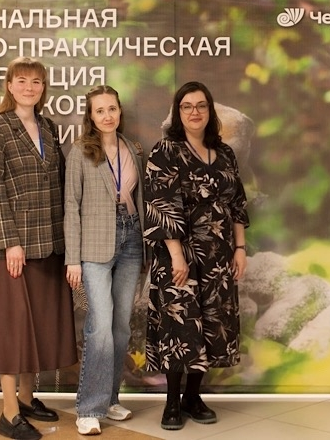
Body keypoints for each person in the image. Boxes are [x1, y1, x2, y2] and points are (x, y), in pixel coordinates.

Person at [0, 56, 77, 440]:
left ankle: (26, 398)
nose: (29, 87)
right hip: (15, 248)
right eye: (21, 80)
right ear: (9, 85)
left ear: (43, 87)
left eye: (36, 81)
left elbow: (60, 184)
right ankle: (8, 415)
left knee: (36, 326)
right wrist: (10, 243)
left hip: (50, 243)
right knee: (13, 329)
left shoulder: (49, 127)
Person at [143, 81, 249, 430]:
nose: (195, 112)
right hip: (179, 254)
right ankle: (172, 403)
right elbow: (161, 205)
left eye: (201, 105)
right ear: (178, 112)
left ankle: (192, 397)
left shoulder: (225, 153)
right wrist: (176, 255)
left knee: (212, 324)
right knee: (180, 324)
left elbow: (237, 204)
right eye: (187, 106)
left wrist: (240, 248)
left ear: (210, 111)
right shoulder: (165, 151)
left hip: (218, 256)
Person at [64, 85, 146, 436]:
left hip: (131, 239)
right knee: (100, 325)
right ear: (91, 116)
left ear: (119, 111)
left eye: (112, 108)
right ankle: (89, 408)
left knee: (121, 326)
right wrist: (73, 259)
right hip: (95, 246)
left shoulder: (132, 149)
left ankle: (110, 399)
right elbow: (71, 206)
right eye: (100, 111)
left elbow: (140, 197)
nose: (107, 116)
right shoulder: (80, 152)